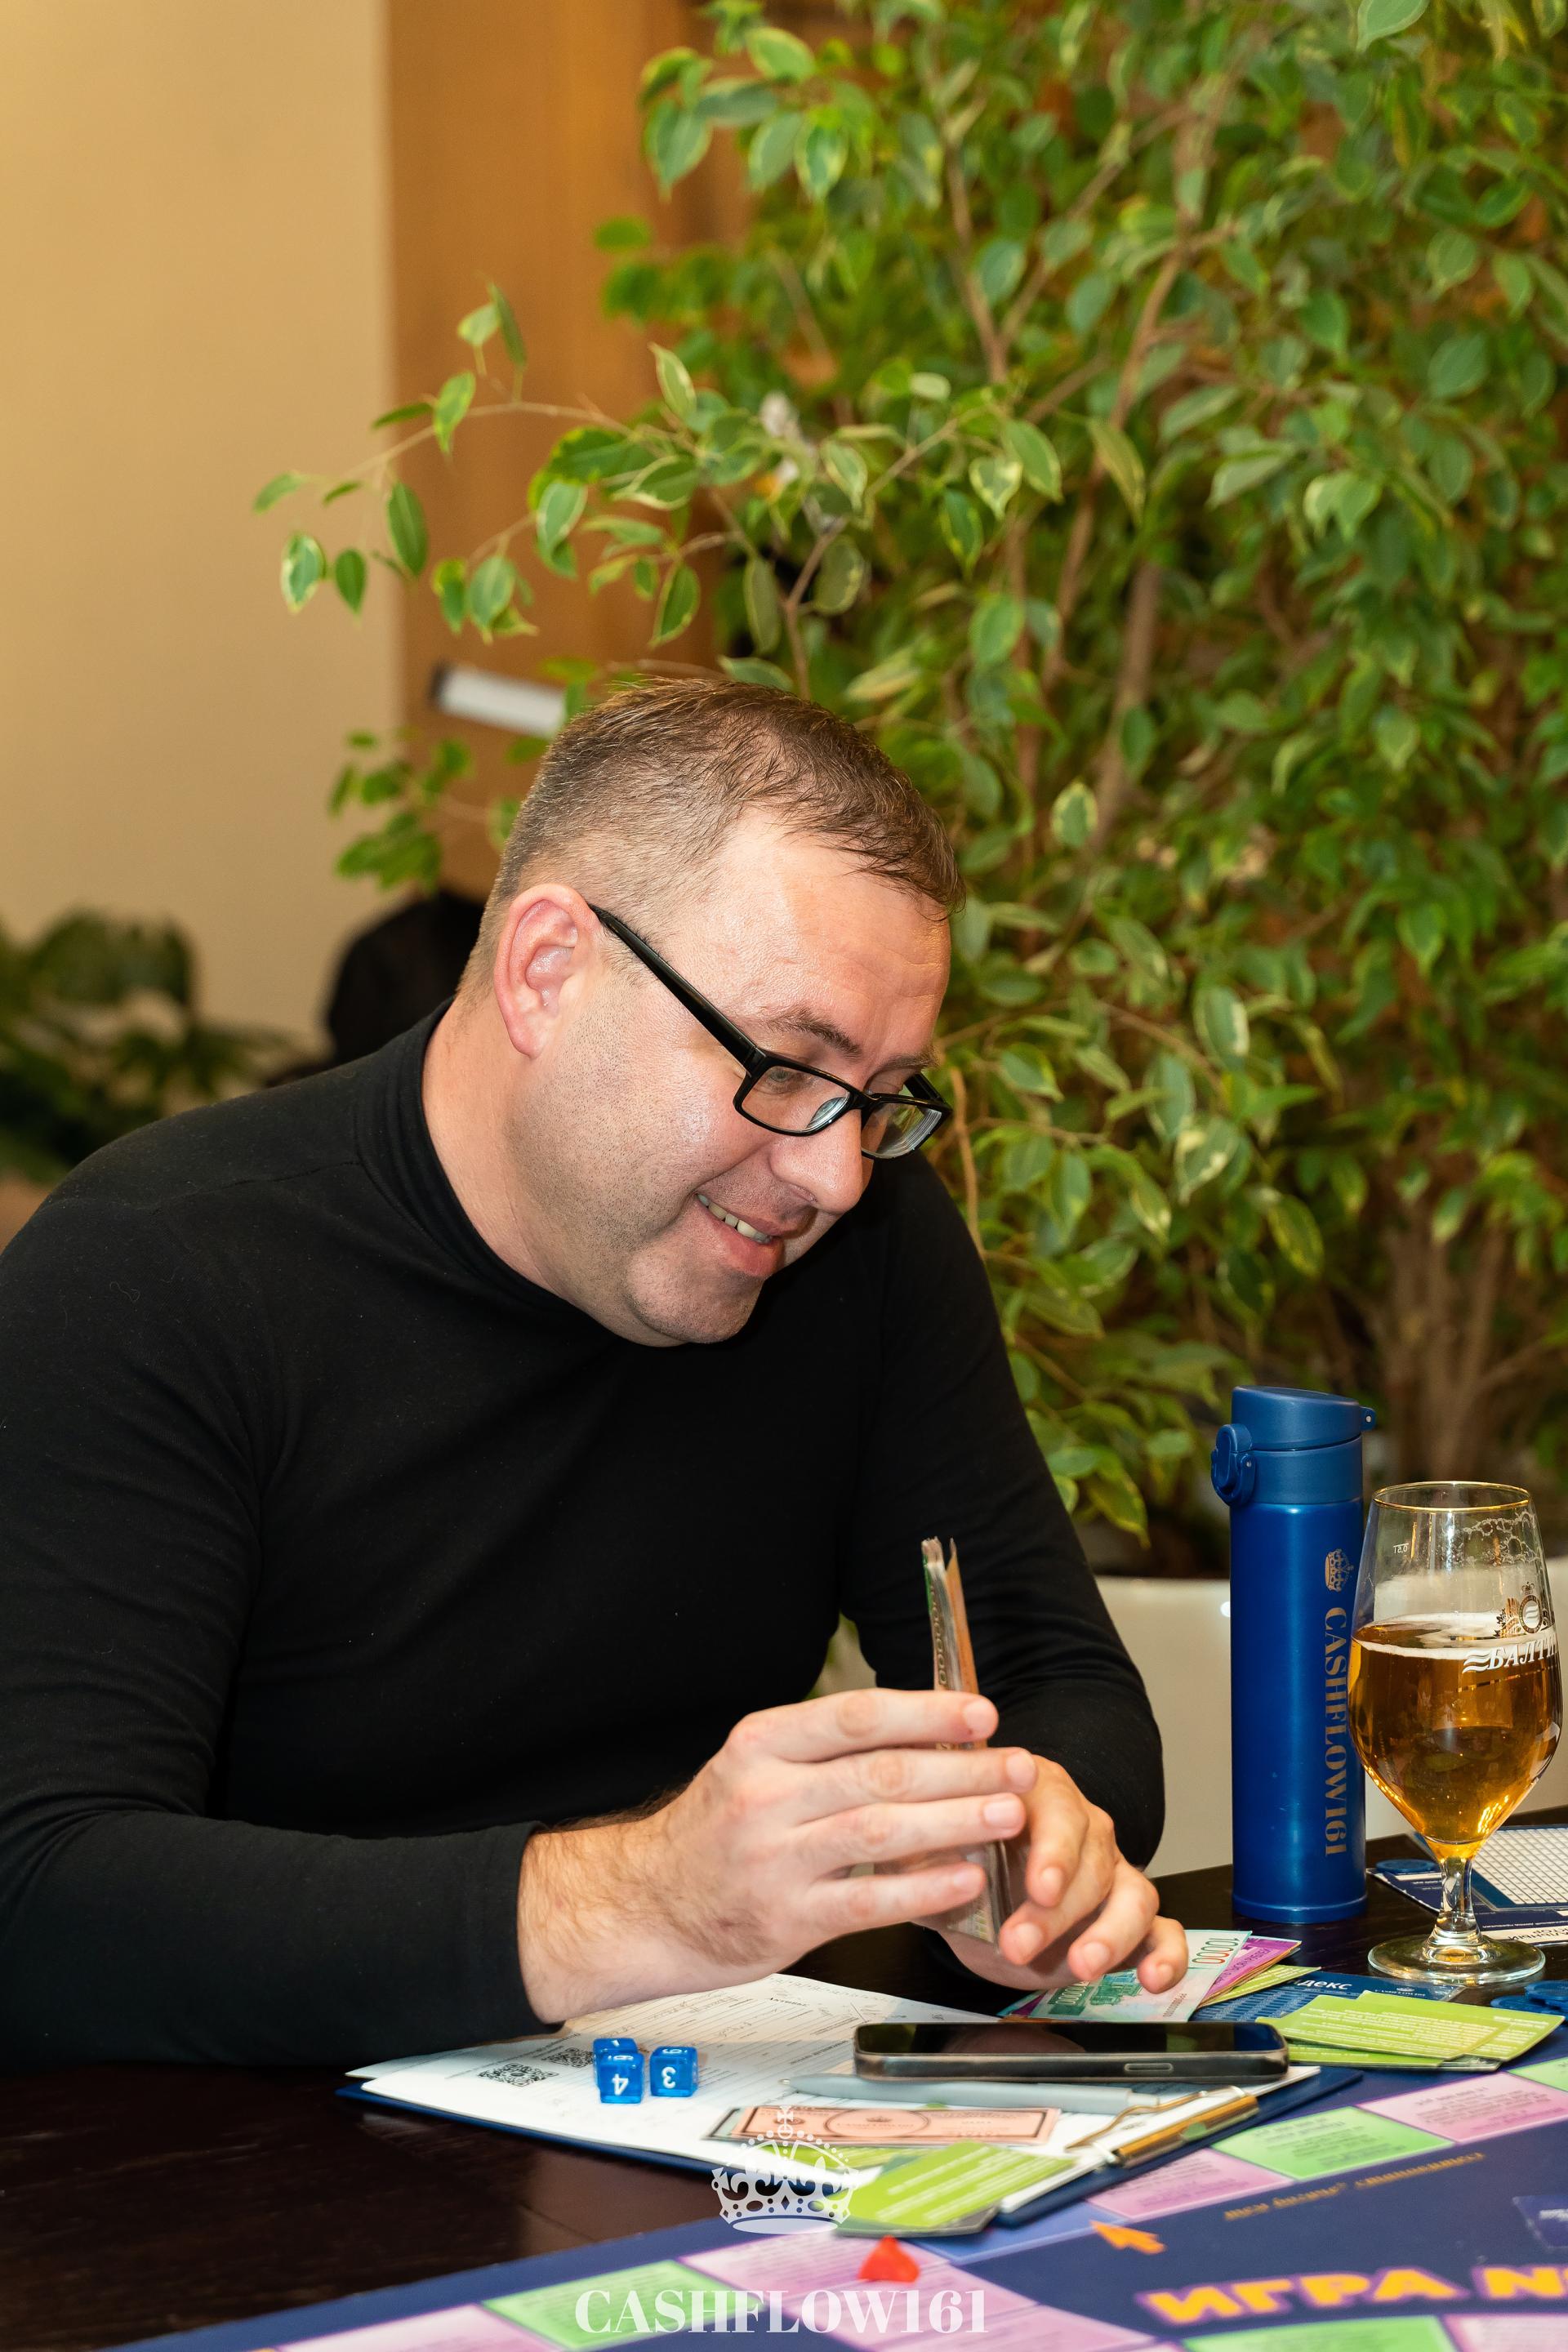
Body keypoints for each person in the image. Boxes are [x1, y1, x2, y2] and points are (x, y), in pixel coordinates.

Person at [0, 682, 1182, 2068]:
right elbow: (42, 1895)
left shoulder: (857, 1252)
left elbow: (1055, 1679)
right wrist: (643, 1900)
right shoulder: (158, 1274)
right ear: (548, 969)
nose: (834, 1174)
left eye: (878, 1098)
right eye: (786, 1066)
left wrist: (1016, 1849)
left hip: (684, 2116)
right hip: (228, 2154)